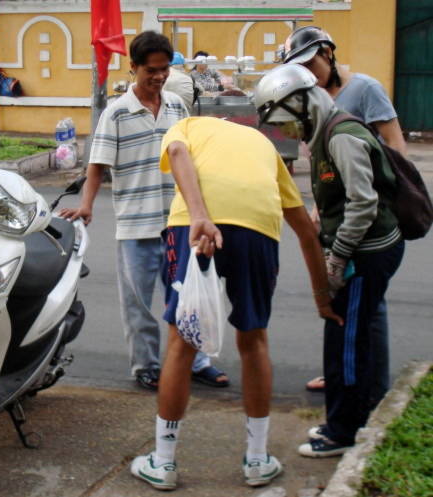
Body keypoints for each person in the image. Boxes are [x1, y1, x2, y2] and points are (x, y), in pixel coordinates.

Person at [129, 114, 341, 490]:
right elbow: (306, 233)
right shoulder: (264, 146)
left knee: (181, 342)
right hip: (257, 229)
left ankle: (162, 463)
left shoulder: (190, 124)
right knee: (253, 338)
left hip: (192, 225)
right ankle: (257, 460)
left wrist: (200, 216)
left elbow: (176, 151)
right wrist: (323, 299)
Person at [59, 31, 229, 391]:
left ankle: (197, 361)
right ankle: (146, 366)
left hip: (178, 223)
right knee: (138, 304)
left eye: (165, 69)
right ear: (133, 67)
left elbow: (192, 162)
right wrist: (86, 206)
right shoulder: (116, 113)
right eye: (151, 70)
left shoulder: (176, 107)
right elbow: (97, 166)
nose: (159, 76)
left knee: (187, 297)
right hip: (136, 226)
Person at [255, 63, 405, 457]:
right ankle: (368, 413)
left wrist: (336, 258)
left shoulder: (341, 136)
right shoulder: (325, 129)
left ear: (303, 104)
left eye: (288, 122)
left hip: (365, 253)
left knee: (348, 341)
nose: (289, 133)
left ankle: (344, 431)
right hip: (362, 249)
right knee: (356, 333)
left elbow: (363, 204)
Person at [282, 26, 406, 395]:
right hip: (335, 216)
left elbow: (394, 145)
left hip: (367, 214)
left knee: (369, 307)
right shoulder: (309, 97)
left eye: (312, 63)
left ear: (329, 54)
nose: (310, 73)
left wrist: (387, 202)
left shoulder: (364, 89)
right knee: (345, 303)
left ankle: (372, 383)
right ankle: (341, 370)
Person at [163, 51, 200, 115]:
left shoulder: (163, 77)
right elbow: (201, 90)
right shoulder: (188, 77)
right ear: (183, 64)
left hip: (167, 116)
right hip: (185, 116)